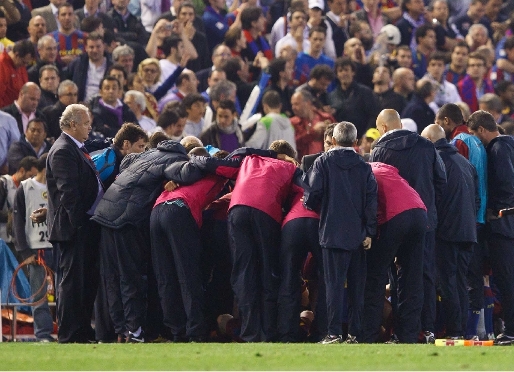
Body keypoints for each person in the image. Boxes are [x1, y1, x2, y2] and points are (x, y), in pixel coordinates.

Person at [91, 137, 208, 343]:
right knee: (131, 276)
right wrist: (203, 164)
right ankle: (134, 331)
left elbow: (126, 162)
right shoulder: (176, 159)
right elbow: (187, 173)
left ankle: (121, 330)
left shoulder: (148, 154)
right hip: (126, 219)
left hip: (105, 213)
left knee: (111, 277)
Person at [370, 109, 447, 344]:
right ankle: (416, 332)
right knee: (419, 276)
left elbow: (373, 187)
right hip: (423, 220)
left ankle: (391, 331)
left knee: (394, 277)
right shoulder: (426, 146)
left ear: (383, 128)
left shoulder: (379, 150)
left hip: (392, 220)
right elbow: (441, 180)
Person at [303, 121, 377, 344]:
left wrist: (315, 206)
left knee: (333, 286)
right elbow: (371, 202)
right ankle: (355, 334)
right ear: (355, 142)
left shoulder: (322, 162)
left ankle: (333, 333)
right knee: (357, 288)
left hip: (332, 232)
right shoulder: (364, 166)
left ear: (333, 141)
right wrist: (369, 231)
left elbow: (312, 194)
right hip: (358, 234)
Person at [227, 139, 302, 342]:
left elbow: (238, 151)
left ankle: (249, 333)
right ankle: (268, 333)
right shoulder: (289, 166)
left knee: (244, 273)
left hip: (236, 210)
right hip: (266, 211)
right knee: (268, 273)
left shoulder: (249, 159)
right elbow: (304, 192)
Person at [46, 104, 105, 343]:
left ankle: (82, 330)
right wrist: (79, 223)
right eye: (86, 123)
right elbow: (68, 192)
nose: (89, 127)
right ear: (73, 124)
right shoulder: (62, 150)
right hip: (74, 228)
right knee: (72, 283)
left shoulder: (75, 148)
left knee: (86, 281)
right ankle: (70, 333)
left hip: (84, 225)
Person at [421, 124, 479, 339]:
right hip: (468, 230)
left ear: (429, 140)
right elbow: (476, 198)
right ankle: (462, 331)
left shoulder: (437, 161)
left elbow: (436, 197)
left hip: (447, 231)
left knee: (447, 282)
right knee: (460, 282)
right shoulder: (465, 163)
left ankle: (455, 331)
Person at [361, 162, 427, 344]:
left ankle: (370, 335)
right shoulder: (384, 168)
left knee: (375, 276)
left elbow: (369, 207)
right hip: (420, 212)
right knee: (412, 277)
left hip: (395, 215)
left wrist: (368, 234)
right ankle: (408, 336)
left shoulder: (362, 173)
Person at [466, 110, 514, 345]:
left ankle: (512, 331)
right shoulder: (511, 143)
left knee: (506, 279)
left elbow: (504, 181)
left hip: (503, 224)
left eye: (474, 135)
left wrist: (495, 207)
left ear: (481, 131)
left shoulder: (497, 149)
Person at [12, 154, 55, 342]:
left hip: (58, 247)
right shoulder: (25, 189)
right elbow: (17, 222)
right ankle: (43, 334)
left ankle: (67, 331)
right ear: (46, 169)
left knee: (63, 292)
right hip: (36, 249)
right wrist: (24, 252)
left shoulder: (58, 188)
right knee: (38, 295)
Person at [329, 57, 380, 137]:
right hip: (340, 139)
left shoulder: (365, 92)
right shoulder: (332, 95)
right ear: (337, 75)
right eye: (340, 71)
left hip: (361, 138)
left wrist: (365, 135)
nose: (344, 73)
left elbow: (373, 115)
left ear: (353, 72)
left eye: (346, 70)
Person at [0, 156, 38, 251]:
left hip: (20, 239)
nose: (32, 180)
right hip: (3, 240)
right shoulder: (3, 184)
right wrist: (10, 216)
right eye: (30, 176)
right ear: (22, 170)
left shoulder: (29, 188)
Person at [290, 89, 334, 160]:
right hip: (303, 167)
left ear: (308, 103)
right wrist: (312, 132)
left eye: (296, 104)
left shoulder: (326, 118)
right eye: (292, 104)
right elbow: (293, 145)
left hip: (326, 164)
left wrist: (329, 132)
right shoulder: (292, 123)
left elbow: (339, 140)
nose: (293, 108)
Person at [0, 40, 35, 108]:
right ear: (16, 55)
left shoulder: (20, 65)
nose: (25, 65)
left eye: (27, 63)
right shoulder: (1, 65)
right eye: (24, 62)